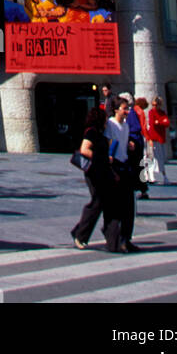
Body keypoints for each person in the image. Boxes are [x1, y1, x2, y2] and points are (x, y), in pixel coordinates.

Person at [71, 106, 121, 252]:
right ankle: (80, 235)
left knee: (109, 205)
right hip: (94, 173)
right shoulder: (91, 132)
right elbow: (84, 149)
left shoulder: (101, 133)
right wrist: (102, 158)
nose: (106, 120)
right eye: (104, 118)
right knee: (97, 203)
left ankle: (113, 242)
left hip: (104, 172)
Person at [105, 97, 138, 252]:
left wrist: (130, 145)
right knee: (117, 206)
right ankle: (116, 239)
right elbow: (107, 143)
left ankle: (127, 238)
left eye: (128, 108)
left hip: (125, 165)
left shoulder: (125, 126)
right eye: (124, 108)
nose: (127, 111)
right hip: (115, 165)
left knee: (129, 206)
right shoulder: (110, 124)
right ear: (116, 109)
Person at [146, 96, 170, 184]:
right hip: (154, 138)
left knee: (161, 158)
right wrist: (161, 122)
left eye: (156, 105)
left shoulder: (162, 113)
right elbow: (153, 123)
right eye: (153, 105)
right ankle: (151, 175)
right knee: (154, 157)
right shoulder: (151, 112)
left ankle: (163, 176)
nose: (154, 107)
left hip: (161, 138)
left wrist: (159, 122)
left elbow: (166, 122)